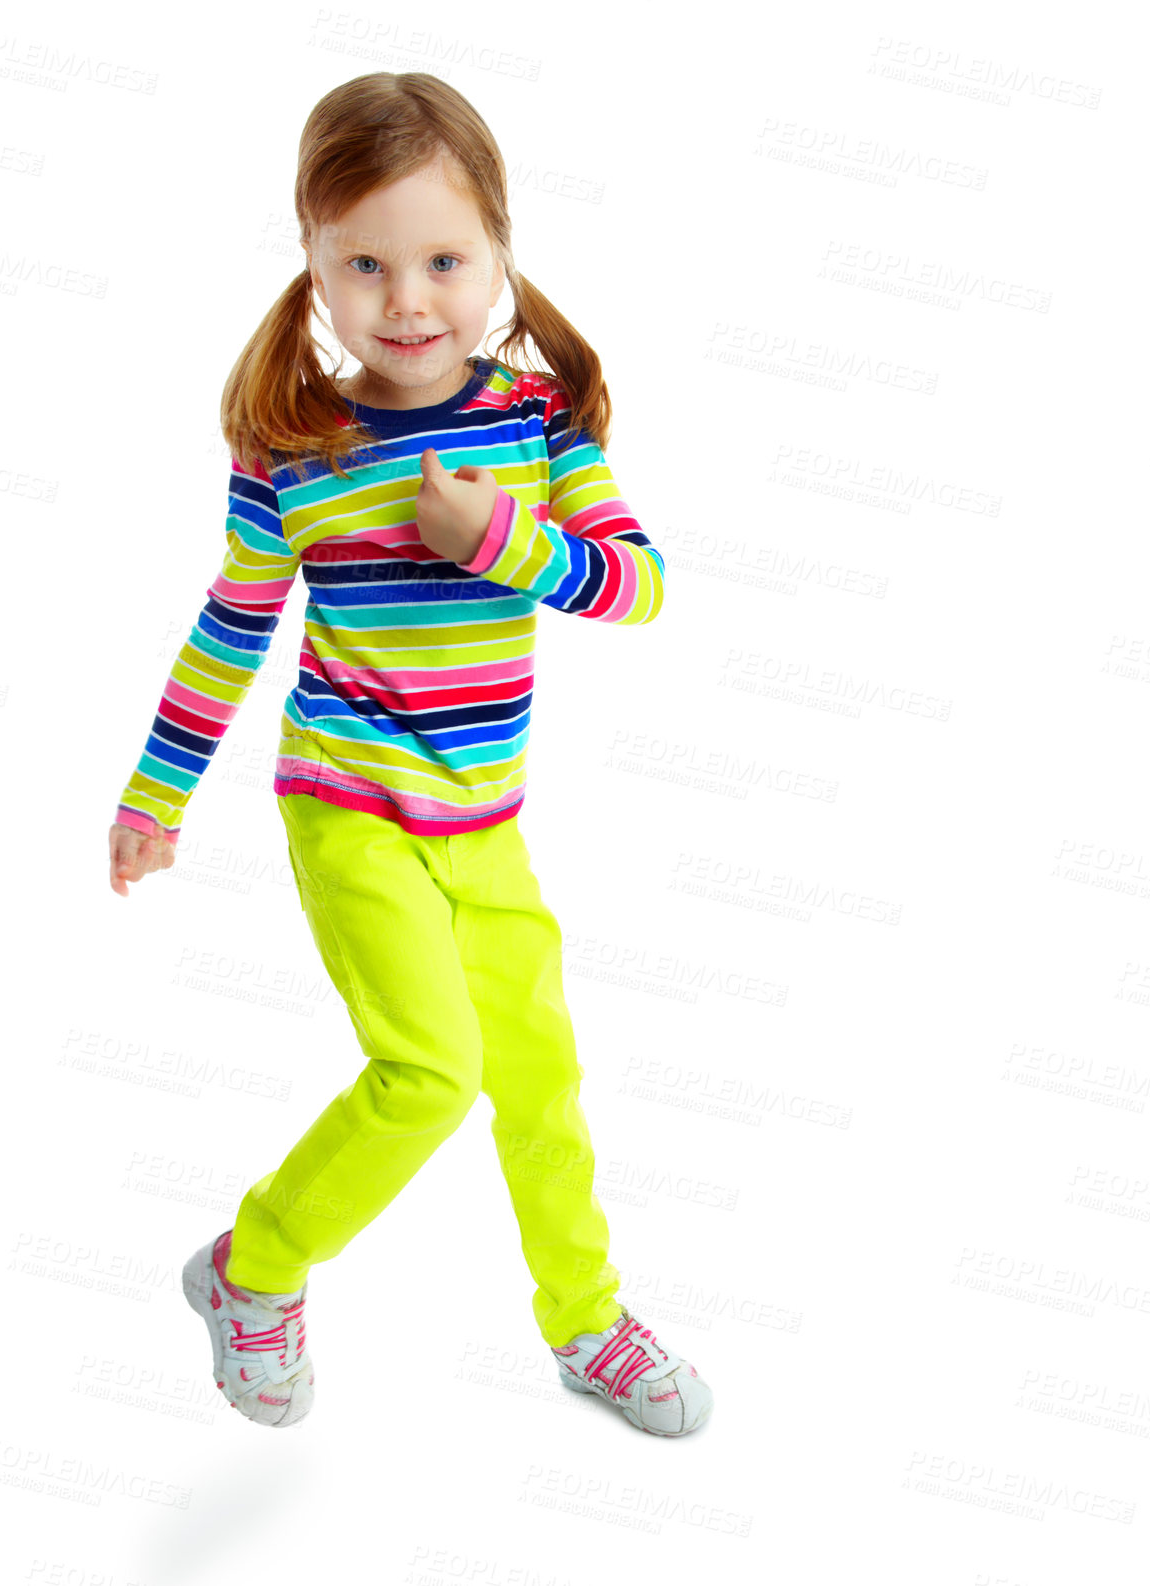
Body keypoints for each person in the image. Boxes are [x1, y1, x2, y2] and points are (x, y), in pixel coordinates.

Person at [108, 71, 712, 1438]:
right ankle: (254, 1269)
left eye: (443, 259)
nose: (407, 299)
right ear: (316, 265)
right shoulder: (293, 446)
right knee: (431, 1068)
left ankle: (587, 1317)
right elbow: (232, 629)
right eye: (364, 264)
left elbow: (641, 584)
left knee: (539, 1078)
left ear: (498, 251)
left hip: (482, 814)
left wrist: (500, 543)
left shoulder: (542, 421)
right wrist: (156, 795)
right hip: (349, 799)